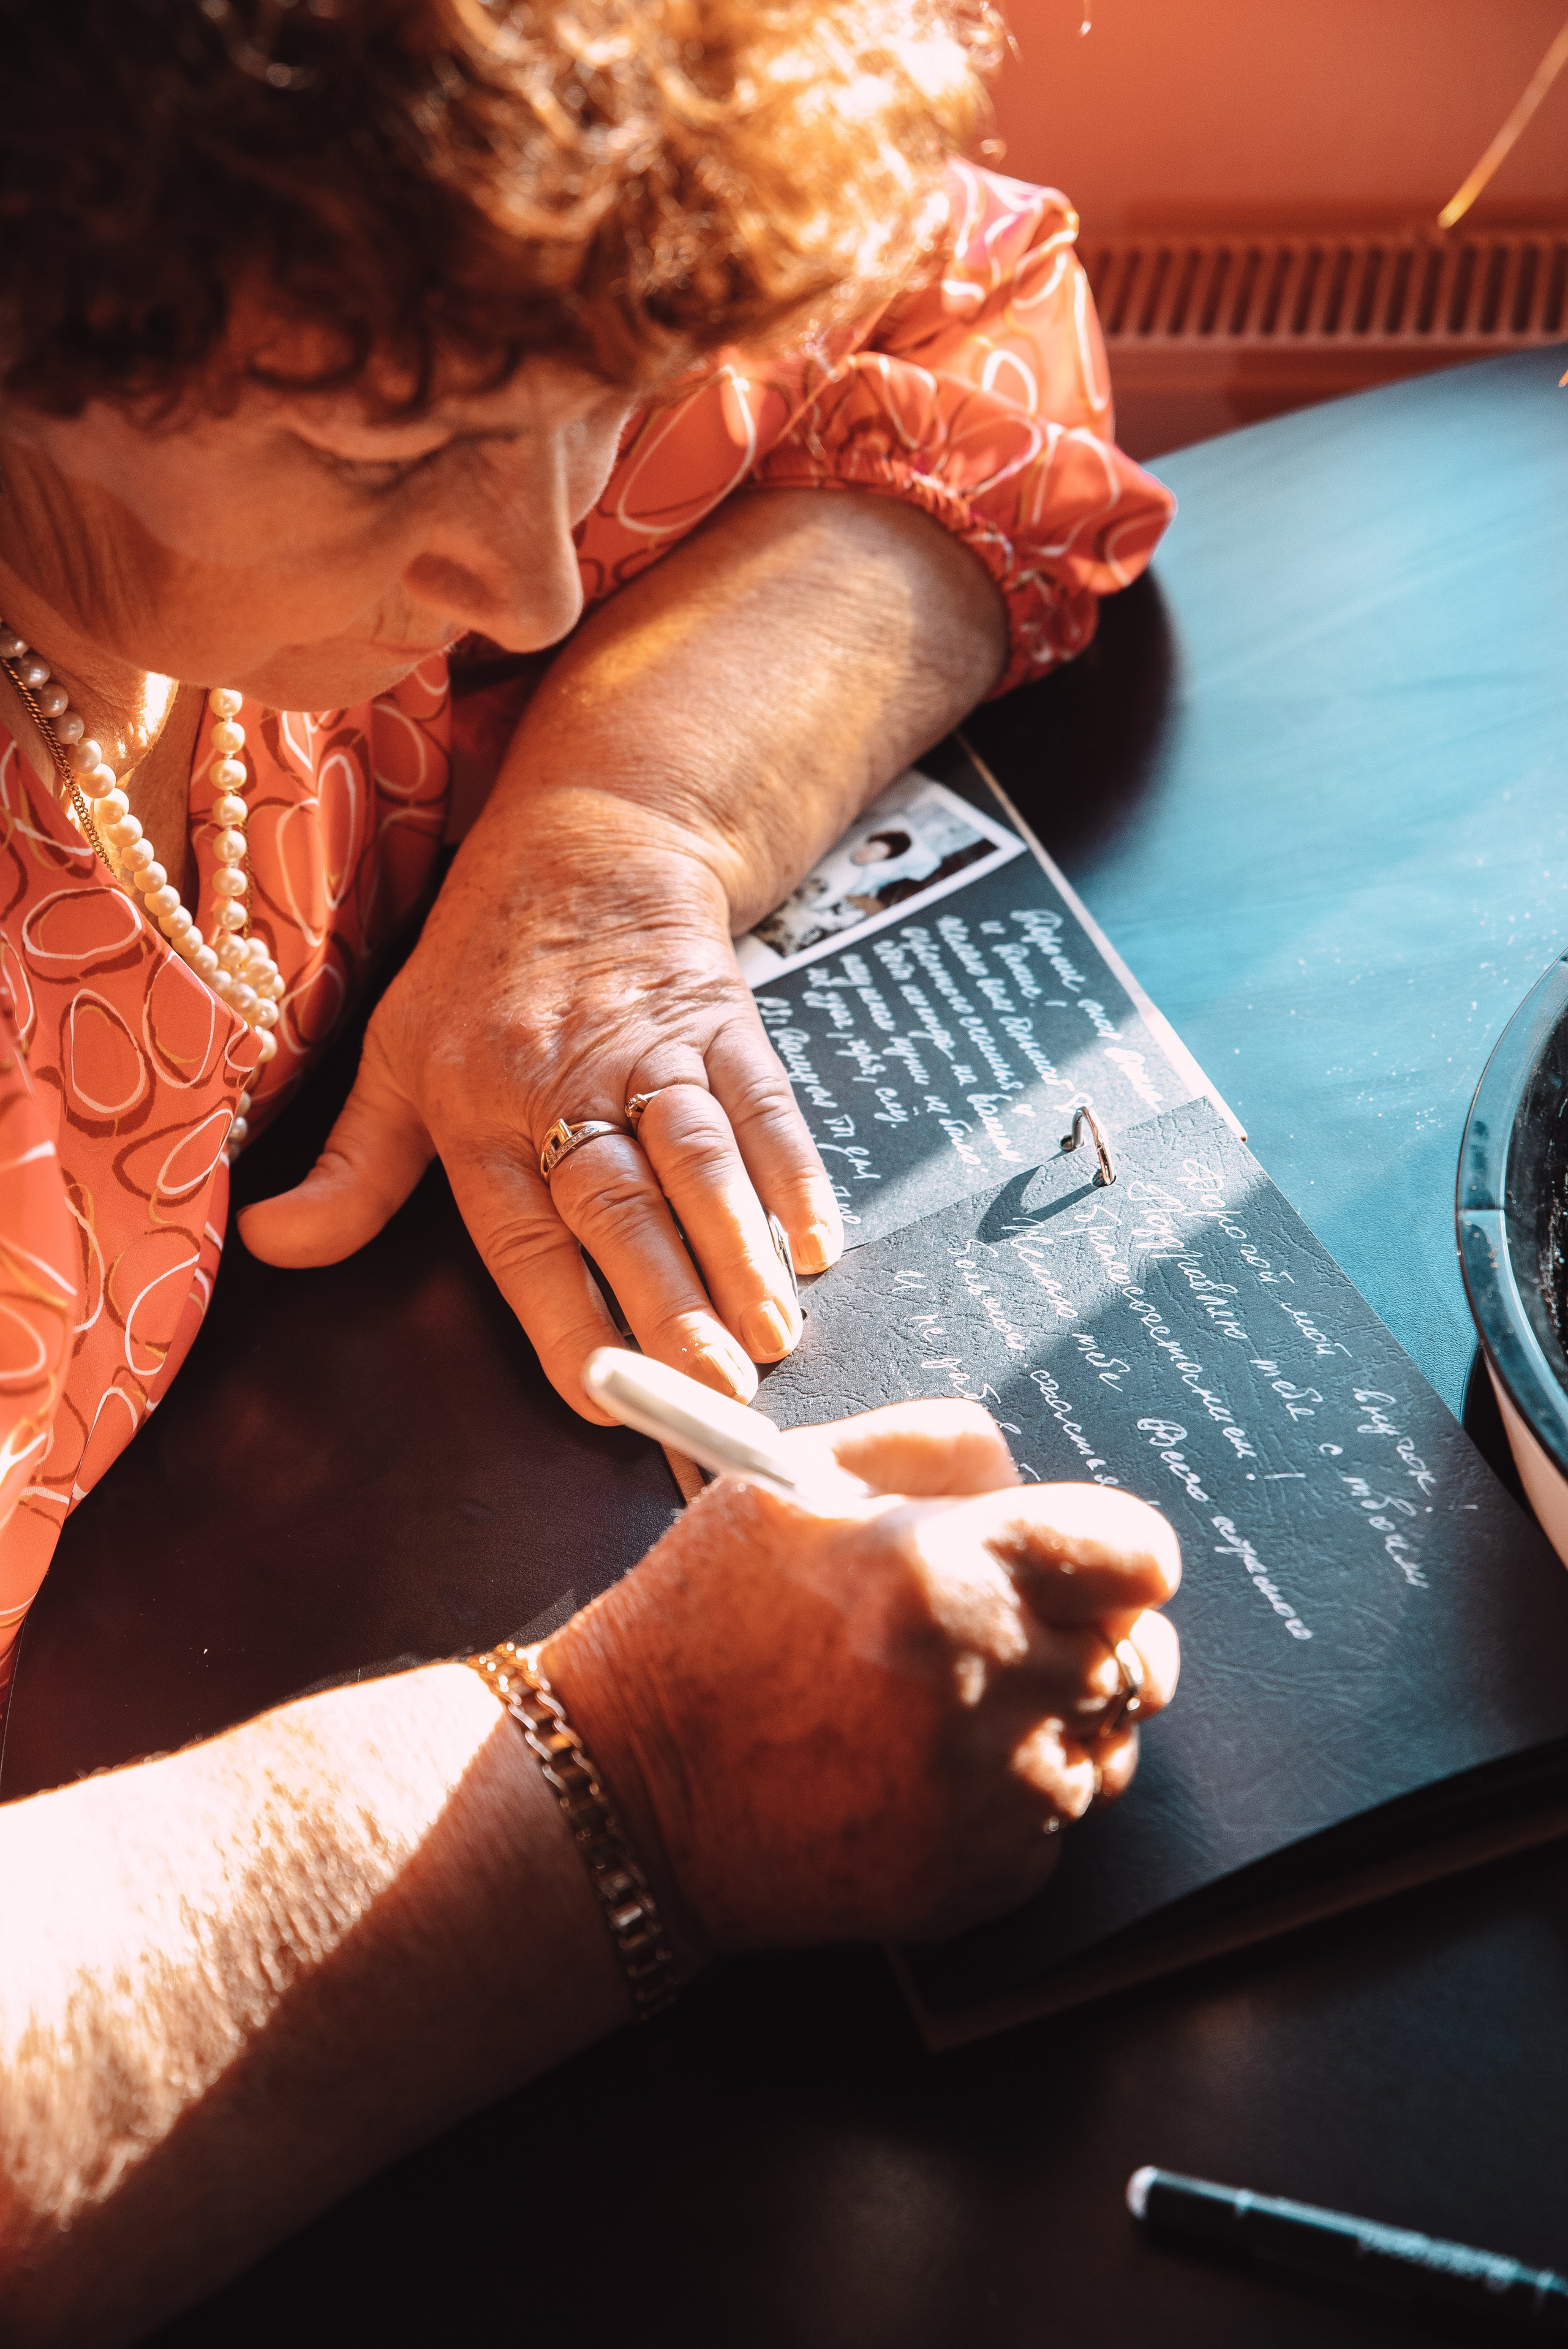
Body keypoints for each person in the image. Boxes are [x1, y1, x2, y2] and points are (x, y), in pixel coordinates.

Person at [0, 0, 1182, 2336]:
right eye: (396, 449)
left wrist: (627, 812)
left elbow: (964, 330)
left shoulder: (412, 301)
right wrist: (622, 1787)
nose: (534, 577)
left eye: (598, 412)